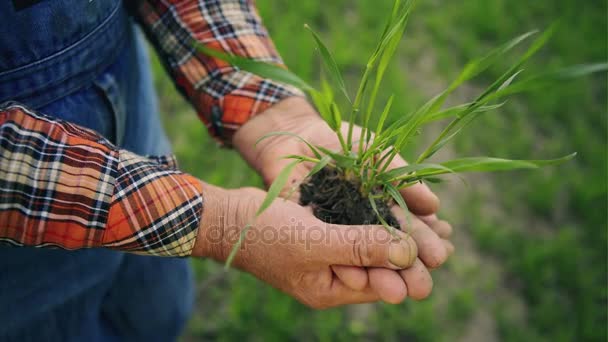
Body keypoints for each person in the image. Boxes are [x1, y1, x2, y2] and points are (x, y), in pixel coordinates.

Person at [0, 0, 454, 340]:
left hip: (124, 112)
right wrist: (219, 223)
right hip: (22, 248)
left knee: (156, 309)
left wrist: (277, 116)